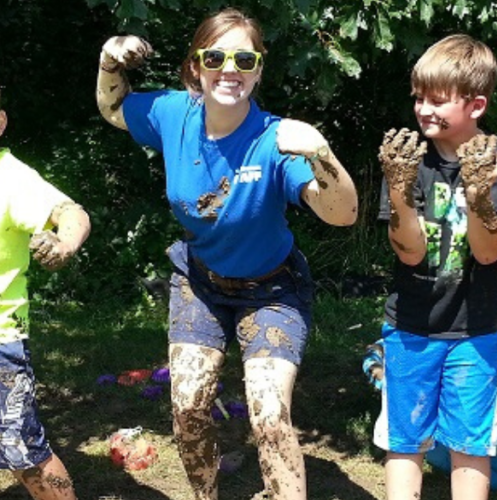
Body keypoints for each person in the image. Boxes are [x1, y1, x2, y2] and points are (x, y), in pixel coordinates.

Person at [95, 8, 357, 500]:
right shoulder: (174, 113)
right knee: (189, 405)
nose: (229, 68)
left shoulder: (277, 139)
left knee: (270, 415)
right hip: (201, 280)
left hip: (273, 290)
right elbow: (114, 110)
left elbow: (341, 214)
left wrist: (322, 153)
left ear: (258, 69)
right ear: (196, 65)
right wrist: (110, 64)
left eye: (244, 58)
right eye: (215, 56)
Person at [374, 34, 497, 500]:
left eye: (438, 100)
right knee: (404, 441)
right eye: (419, 97)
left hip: (476, 330)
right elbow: (410, 253)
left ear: (476, 104)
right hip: (411, 327)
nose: (424, 109)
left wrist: (479, 196)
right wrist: (399, 191)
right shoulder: (407, 159)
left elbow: (488, 252)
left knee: (469, 442)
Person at [0, 89, 91, 500]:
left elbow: (71, 213)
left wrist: (64, 244)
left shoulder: (12, 178)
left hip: (0, 340)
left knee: (25, 455)